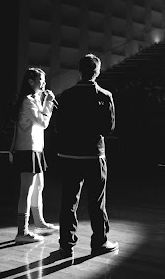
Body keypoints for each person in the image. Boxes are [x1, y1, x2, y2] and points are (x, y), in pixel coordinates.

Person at [53, 54, 119, 257]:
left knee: (68, 202)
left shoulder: (66, 95)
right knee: (97, 202)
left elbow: (58, 127)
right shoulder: (104, 95)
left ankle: (66, 245)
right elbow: (109, 127)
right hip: (93, 155)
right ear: (97, 71)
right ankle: (99, 242)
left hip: (69, 156)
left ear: (80, 71)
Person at [9, 67, 59, 244]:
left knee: (39, 186)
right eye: (41, 80)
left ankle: (39, 222)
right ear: (31, 82)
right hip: (27, 149)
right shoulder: (27, 101)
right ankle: (21, 232)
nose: (44, 83)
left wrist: (45, 102)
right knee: (26, 191)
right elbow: (43, 122)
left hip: (36, 148)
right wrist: (49, 103)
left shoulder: (36, 99)